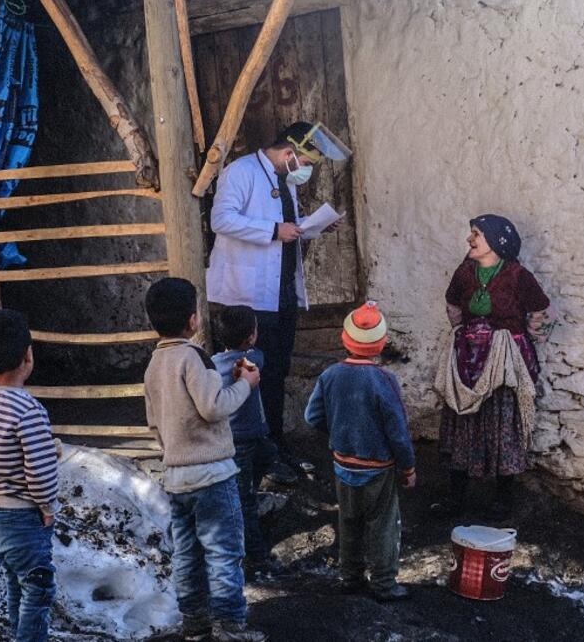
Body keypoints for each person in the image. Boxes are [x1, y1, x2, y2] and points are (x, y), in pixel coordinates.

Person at [206, 121, 351, 484]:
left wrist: (313, 225)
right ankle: (251, 450)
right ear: (288, 153)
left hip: (280, 295)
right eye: (303, 161)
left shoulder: (282, 179)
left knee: (276, 372)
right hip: (248, 296)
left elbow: (286, 226)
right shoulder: (240, 172)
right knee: (250, 374)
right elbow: (220, 219)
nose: (304, 170)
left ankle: (275, 445)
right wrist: (273, 232)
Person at [143, 277, 267, 642]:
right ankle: (231, 626)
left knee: (187, 554)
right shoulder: (195, 356)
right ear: (193, 320)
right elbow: (214, 408)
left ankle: (194, 622)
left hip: (177, 477)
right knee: (224, 554)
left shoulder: (154, 364)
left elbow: (154, 422)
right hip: (212, 476)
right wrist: (246, 384)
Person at [434, 215, 555, 521]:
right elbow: (453, 304)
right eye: (471, 234)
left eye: (476, 234)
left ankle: (503, 499)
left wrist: (520, 342)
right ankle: (456, 496)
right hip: (468, 362)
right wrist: (466, 335)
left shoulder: (517, 276)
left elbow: (540, 310)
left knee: (502, 423)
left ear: (495, 240)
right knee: (463, 421)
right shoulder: (465, 272)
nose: (470, 240)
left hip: (503, 363)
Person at [304, 302, 416, 602]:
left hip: (343, 464)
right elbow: (398, 434)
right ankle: (383, 584)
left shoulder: (330, 376)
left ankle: (349, 577)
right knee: (382, 525)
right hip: (378, 468)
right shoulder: (385, 381)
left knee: (349, 521)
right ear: (381, 344)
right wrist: (408, 468)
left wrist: (340, 430)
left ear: (345, 339)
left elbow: (312, 417)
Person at [0, 309, 60, 642]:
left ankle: (20, 634)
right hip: (23, 515)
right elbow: (40, 471)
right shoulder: (29, 409)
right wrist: (47, 506)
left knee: (17, 581)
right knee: (38, 587)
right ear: (27, 356)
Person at [211, 305, 281, 577]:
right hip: (248, 437)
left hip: (235, 438)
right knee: (245, 503)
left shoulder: (214, 365)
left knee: (263, 458)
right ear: (251, 337)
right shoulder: (255, 360)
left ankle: (248, 488)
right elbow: (258, 358)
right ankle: (257, 557)